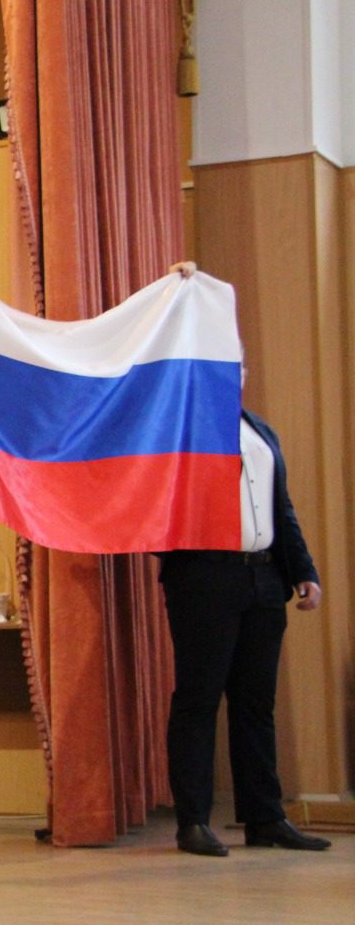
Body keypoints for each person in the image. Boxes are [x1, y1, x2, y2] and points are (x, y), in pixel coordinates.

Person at [159, 266, 328, 857]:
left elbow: (281, 507)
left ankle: (265, 818)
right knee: (199, 699)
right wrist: (178, 292)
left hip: (264, 578)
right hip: (204, 578)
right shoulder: (178, 432)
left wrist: (303, 570)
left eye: (240, 364)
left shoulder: (261, 433)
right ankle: (193, 821)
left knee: (256, 704)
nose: (234, 372)